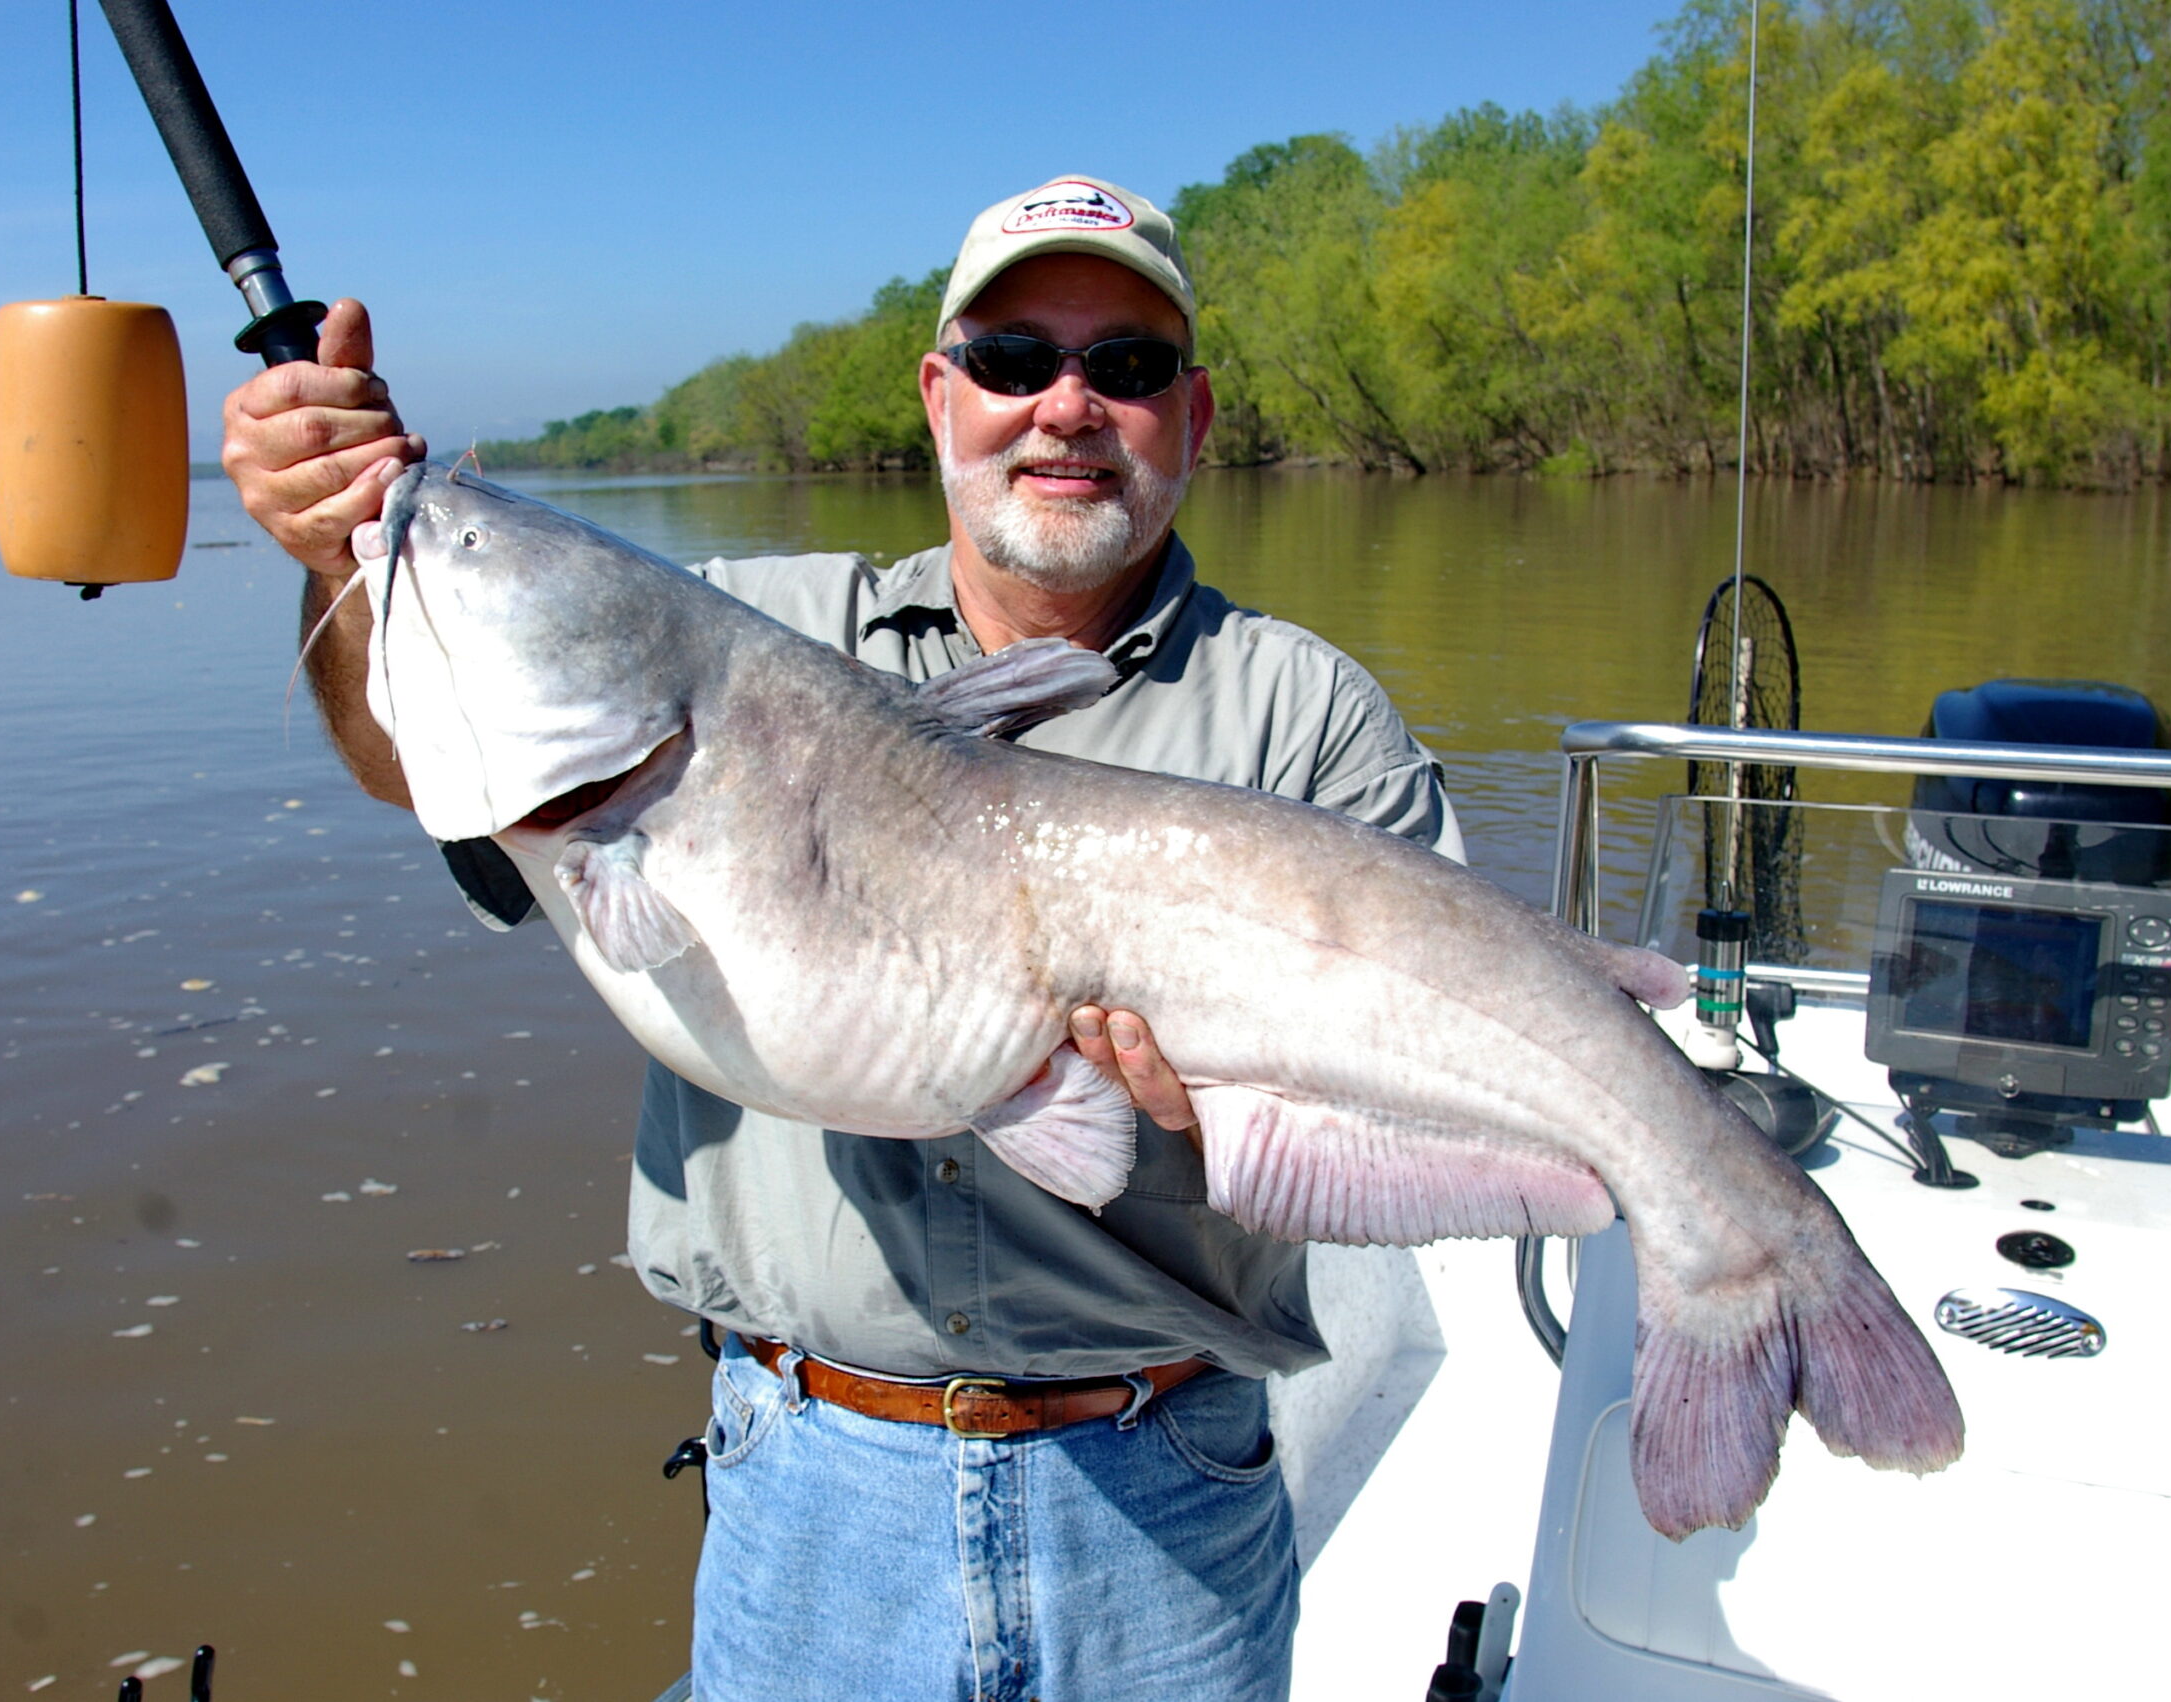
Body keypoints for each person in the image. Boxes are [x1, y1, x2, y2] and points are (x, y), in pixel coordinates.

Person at [222, 174, 1462, 1702]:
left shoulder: (1306, 717)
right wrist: (346, 560)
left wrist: (1234, 1096)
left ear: (1194, 416)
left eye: (1125, 366)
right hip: (814, 1499)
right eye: (1014, 359)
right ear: (942, 397)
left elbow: (1436, 1072)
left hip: (1170, 1501)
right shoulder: (744, 641)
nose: (1066, 405)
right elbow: (425, 761)